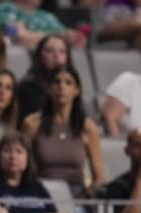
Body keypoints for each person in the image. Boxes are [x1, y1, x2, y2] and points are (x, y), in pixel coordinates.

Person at [23, 66, 106, 199]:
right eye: (56, 82)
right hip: (41, 193)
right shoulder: (32, 124)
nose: (62, 87)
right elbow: (23, 166)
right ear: (49, 88)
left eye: (68, 83)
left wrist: (90, 194)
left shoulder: (87, 127)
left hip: (76, 195)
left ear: (76, 90)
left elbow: (99, 176)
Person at [15, 34, 73, 125]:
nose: (57, 56)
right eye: (50, 51)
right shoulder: (27, 87)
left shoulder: (73, 85)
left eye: (62, 52)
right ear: (40, 55)